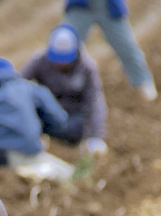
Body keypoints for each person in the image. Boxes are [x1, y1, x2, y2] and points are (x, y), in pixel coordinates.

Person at [0, 57, 74, 182]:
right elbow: (59, 118)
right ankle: (36, 173)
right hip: (19, 153)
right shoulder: (28, 87)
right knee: (69, 174)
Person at [21, 23, 108, 154]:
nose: (61, 64)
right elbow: (18, 83)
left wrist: (97, 137)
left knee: (76, 129)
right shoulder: (40, 61)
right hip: (46, 114)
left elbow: (95, 102)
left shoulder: (87, 68)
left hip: (72, 118)